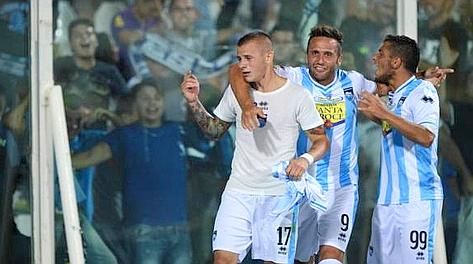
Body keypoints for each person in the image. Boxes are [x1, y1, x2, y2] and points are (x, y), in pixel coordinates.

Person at [228, 25, 450, 264]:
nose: (320, 60)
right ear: (307, 55)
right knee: (299, 259)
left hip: (342, 188)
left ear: (339, 58)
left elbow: (390, 84)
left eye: (328, 54)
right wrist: (247, 106)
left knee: (330, 256)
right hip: (302, 186)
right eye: (314, 53)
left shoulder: (352, 82)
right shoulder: (292, 78)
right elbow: (237, 70)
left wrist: (420, 77)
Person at [180, 31, 329, 263]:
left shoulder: (298, 96)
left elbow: (321, 141)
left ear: (269, 56)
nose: (242, 65)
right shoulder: (237, 93)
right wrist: (194, 102)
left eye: (249, 58)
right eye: (240, 59)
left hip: (278, 197)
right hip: (239, 192)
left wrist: (304, 160)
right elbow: (214, 131)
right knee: (222, 259)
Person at [72, 81, 193, 263]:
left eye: (156, 98)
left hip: (180, 229)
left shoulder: (178, 131)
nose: (152, 104)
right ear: (135, 103)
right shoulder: (124, 135)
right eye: (145, 99)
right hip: (142, 231)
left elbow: (212, 135)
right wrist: (50, 161)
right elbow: (91, 155)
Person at [358, 34, 443, 264]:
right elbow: (392, 124)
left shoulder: (423, 91)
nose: (375, 58)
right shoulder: (395, 97)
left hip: (415, 202)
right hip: (386, 201)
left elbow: (426, 136)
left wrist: (383, 113)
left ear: (396, 62)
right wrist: (381, 116)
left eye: (381, 54)